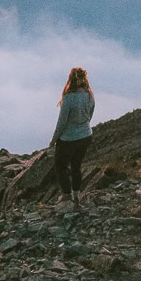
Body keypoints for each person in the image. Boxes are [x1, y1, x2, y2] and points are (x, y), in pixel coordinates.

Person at [49, 66, 95, 206]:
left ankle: (67, 196)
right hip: (86, 135)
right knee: (76, 165)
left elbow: (62, 123)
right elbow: (90, 114)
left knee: (60, 166)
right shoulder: (89, 95)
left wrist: (54, 140)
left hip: (69, 138)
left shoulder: (69, 98)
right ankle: (77, 196)